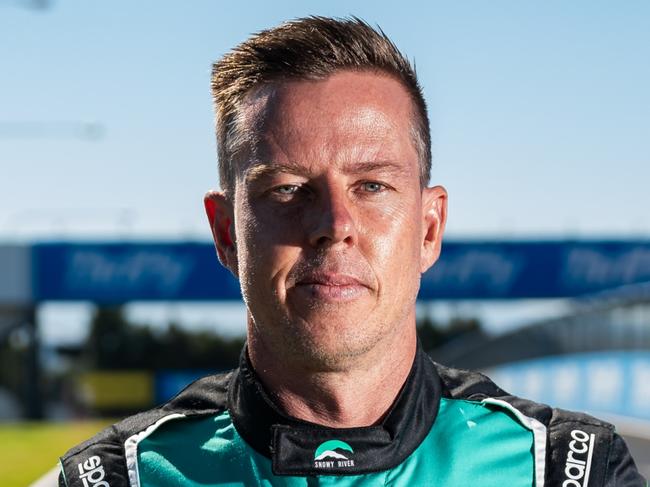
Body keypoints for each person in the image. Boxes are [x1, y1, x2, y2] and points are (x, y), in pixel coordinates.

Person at [58, 16, 646, 486]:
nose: (334, 225)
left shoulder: (566, 469)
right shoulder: (119, 476)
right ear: (226, 232)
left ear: (429, 228)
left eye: (372, 186)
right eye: (287, 189)